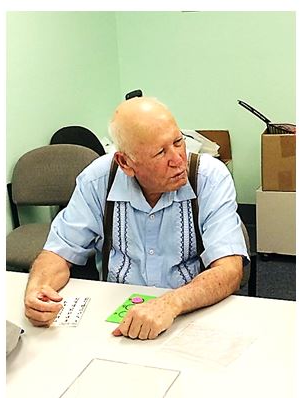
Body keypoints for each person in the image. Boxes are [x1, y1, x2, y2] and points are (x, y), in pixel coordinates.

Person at [24, 97, 249, 340]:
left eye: (178, 142)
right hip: (116, 313)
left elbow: (229, 269)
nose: (178, 160)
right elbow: (59, 252)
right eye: (161, 152)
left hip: (189, 309)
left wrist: (170, 304)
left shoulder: (209, 177)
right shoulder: (97, 180)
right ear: (125, 163)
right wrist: (38, 290)